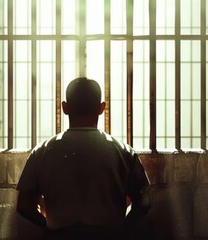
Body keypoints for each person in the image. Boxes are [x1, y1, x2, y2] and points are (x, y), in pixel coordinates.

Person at [16, 77, 152, 240]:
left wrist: (51, 229)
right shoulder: (123, 152)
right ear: (102, 108)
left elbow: (24, 206)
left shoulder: (42, 151)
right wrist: (120, 231)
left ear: (64, 108)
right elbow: (144, 202)